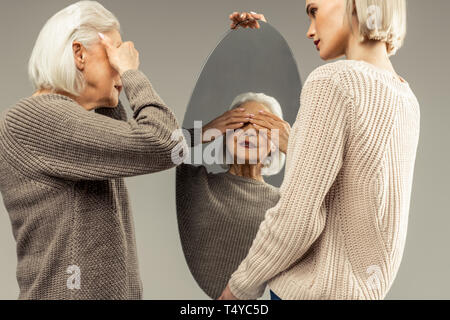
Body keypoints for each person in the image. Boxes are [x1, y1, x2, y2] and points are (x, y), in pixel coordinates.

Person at [219, 0, 420, 300]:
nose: (309, 30)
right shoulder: (406, 99)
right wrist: (258, 39)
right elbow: (359, 197)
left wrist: (237, 290)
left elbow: (297, 220)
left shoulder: (332, 82)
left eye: (314, 11)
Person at [0, 1, 186, 299]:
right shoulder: (38, 118)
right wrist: (131, 72)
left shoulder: (77, 121)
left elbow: (146, 139)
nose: (121, 69)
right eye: (112, 53)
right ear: (79, 53)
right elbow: (166, 143)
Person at [176, 93, 290, 299]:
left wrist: (296, 148)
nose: (248, 132)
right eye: (240, 124)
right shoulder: (193, 182)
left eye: (261, 127)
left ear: (275, 144)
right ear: (224, 133)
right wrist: (199, 133)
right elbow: (150, 148)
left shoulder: (284, 204)